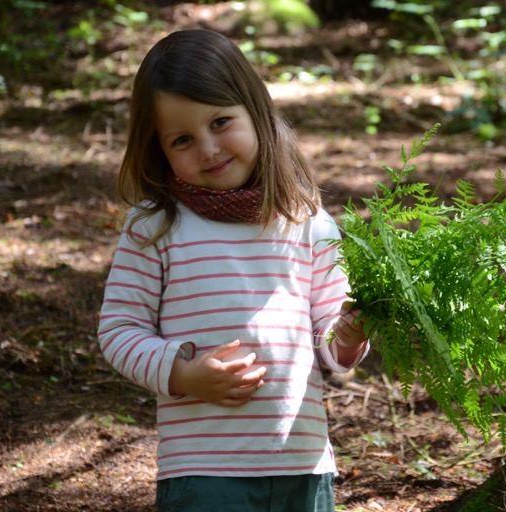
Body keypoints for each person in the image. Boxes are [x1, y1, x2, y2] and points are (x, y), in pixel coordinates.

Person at [97, 29, 369, 512]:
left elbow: (333, 337)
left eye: (221, 122)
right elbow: (119, 330)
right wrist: (183, 374)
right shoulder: (155, 226)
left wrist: (348, 334)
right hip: (203, 471)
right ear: (159, 150)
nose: (208, 149)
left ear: (257, 112)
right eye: (183, 139)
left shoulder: (307, 221)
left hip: (302, 463)